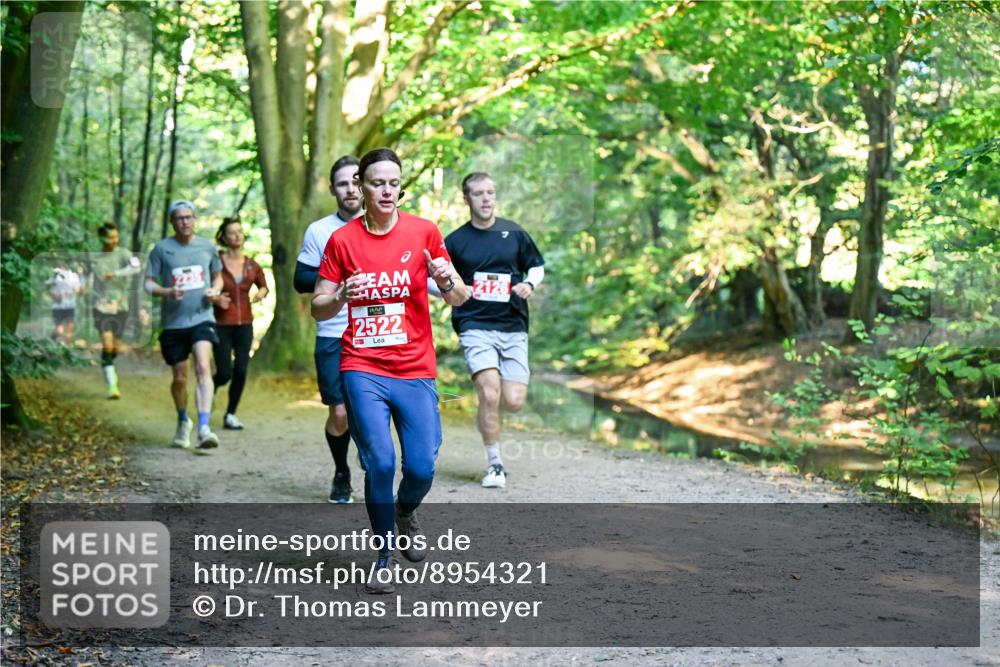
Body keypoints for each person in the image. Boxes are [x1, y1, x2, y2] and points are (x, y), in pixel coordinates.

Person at [312, 148, 469, 593]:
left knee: (421, 466)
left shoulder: (424, 232)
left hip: (415, 367)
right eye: (377, 182)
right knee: (379, 461)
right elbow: (317, 308)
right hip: (361, 366)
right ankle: (383, 555)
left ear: (400, 187)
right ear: (360, 186)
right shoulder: (342, 241)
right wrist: (341, 293)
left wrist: (445, 280)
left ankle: (405, 513)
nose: (386, 190)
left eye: (393, 183)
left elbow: (459, 298)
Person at [444, 172, 545, 489]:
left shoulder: (513, 232)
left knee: (512, 400)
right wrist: (455, 291)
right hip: (474, 323)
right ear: (466, 199)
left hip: (513, 324)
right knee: (489, 392)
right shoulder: (455, 241)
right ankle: (495, 465)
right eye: (478, 193)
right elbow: (434, 279)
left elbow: (537, 265)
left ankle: (488, 411)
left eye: (490, 192)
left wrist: (529, 283)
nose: (486, 198)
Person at [295, 155, 362, 504]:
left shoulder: (382, 225)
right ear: (334, 189)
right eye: (342, 183)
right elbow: (300, 279)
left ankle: (372, 458)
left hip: (376, 331)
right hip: (333, 331)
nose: (350, 189)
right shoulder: (320, 231)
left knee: (369, 409)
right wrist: (336, 273)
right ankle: (341, 471)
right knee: (339, 413)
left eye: (355, 181)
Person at [145, 200, 227, 450]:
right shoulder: (161, 249)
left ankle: (204, 428)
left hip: (202, 317)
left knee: (203, 366)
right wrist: (166, 291)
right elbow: (148, 283)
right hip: (173, 323)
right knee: (180, 377)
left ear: (195, 219)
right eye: (180, 218)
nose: (185, 222)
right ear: (172, 222)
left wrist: (215, 290)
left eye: (189, 217)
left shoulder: (207, 246)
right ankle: (183, 420)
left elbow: (218, 276)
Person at [213, 216, 268, 430]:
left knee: (242, 369)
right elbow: (207, 287)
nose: (237, 235)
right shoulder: (216, 262)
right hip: (221, 323)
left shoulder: (252, 265)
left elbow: (263, 285)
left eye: (239, 231)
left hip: (245, 323)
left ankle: (230, 414)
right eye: (231, 232)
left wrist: (260, 294)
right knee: (225, 372)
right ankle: (211, 386)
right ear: (224, 238)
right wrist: (216, 298)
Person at [89, 223, 141, 399]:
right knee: (107, 342)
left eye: (116, 237)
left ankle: (108, 363)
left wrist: (116, 274)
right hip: (100, 306)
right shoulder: (94, 257)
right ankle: (113, 385)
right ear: (102, 238)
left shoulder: (124, 253)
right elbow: (87, 278)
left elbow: (136, 267)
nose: (114, 240)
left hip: (120, 306)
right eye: (110, 237)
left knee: (114, 348)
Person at [47, 262, 81, 344]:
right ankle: (51, 341)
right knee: (60, 330)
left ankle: (68, 348)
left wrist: (71, 293)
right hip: (57, 307)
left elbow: (77, 290)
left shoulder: (73, 275)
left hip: (70, 306)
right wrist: (55, 297)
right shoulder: (53, 273)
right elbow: (48, 289)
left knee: (70, 327)